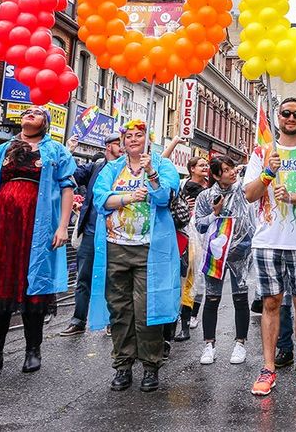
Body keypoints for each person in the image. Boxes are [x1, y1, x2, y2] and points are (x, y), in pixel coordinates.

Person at [0, 107, 77, 378]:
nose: (30, 114)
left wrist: (63, 226)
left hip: (37, 227)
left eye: (37, 113)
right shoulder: (3, 149)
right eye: (27, 111)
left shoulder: (56, 151)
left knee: (33, 286)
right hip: (2, 227)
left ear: (46, 122)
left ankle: (33, 351)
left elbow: (67, 189)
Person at [243, 97, 296, 397]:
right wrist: (267, 172)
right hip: (267, 242)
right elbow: (249, 195)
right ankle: (268, 369)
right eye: (286, 113)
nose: (291, 118)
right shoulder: (260, 152)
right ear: (277, 117)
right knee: (270, 304)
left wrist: (292, 197)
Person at [88, 119, 180, 392]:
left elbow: (164, 198)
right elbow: (100, 199)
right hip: (116, 246)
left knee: (146, 311)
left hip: (150, 249)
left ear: (147, 140)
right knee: (120, 310)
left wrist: (151, 173)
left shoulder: (163, 166)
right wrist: (127, 198)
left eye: (138, 135)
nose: (133, 140)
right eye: (128, 136)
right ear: (123, 141)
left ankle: (151, 366)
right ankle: (123, 365)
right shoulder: (112, 169)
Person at [59, 132, 123, 337]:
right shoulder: (96, 167)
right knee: (83, 277)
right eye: (117, 143)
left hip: (116, 234)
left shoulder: (127, 171)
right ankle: (78, 320)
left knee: (114, 279)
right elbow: (70, 175)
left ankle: (113, 321)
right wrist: (69, 150)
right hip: (91, 232)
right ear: (108, 146)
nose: (122, 147)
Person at [194, 155, 255, 366]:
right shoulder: (205, 196)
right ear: (216, 174)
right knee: (212, 299)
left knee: (240, 298)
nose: (231, 172)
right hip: (215, 253)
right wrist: (215, 214)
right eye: (226, 169)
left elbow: (255, 176)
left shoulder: (242, 190)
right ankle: (209, 344)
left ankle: (240, 343)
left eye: (232, 168)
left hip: (240, 252)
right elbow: (199, 226)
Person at [171, 155, 210, 342]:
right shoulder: (181, 186)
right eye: (201, 165)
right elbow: (175, 207)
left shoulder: (210, 187)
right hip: (184, 234)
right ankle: (176, 320)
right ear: (192, 168)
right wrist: (186, 207)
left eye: (206, 165)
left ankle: (189, 319)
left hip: (203, 236)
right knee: (182, 277)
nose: (205, 167)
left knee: (195, 278)